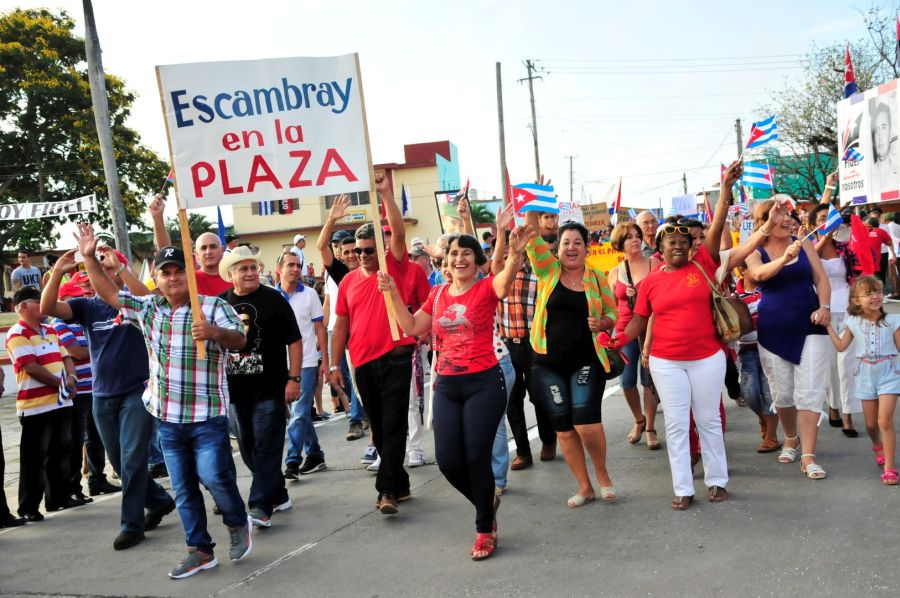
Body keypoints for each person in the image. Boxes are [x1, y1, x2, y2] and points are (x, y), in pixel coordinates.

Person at [78, 227, 252, 580]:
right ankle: (200, 550)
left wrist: (215, 333)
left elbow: (240, 341)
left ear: (189, 276)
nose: (173, 278)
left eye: (178, 272)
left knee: (214, 477)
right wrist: (87, 257)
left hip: (207, 417)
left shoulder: (213, 307)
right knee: (185, 491)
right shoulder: (148, 309)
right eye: (165, 273)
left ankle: (237, 521)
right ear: (156, 278)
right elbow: (109, 292)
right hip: (168, 419)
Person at [378, 224, 534, 560]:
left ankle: (483, 529)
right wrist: (391, 293)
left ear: (477, 262)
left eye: (466, 253)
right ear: (445, 263)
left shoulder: (486, 288)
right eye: (453, 254)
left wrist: (515, 253)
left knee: (476, 455)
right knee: (449, 461)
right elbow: (411, 327)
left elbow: (505, 282)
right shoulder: (436, 296)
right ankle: (486, 501)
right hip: (447, 384)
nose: (459, 258)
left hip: (485, 381)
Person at [608, 161, 742, 509]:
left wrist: (725, 189)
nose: (679, 246)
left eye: (684, 241)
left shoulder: (704, 264)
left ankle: (716, 481)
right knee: (678, 426)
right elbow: (639, 321)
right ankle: (683, 488)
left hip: (708, 358)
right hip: (667, 362)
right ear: (661, 248)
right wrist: (618, 338)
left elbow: (717, 223)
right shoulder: (650, 281)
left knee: (709, 419)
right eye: (671, 242)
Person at [41, 248, 175, 551]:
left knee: (131, 460)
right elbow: (47, 307)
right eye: (91, 273)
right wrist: (59, 271)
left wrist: (122, 268)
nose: (94, 277)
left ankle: (132, 524)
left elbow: (153, 299)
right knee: (120, 461)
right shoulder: (86, 307)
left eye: (103, 269)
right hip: (102, 395)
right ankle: (159, 500)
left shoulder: (135, 304)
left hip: (136, 392)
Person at [329, 175, 416, 515]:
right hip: (362, 363)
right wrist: (334, 364)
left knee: (394, 423)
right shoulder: (348, 281)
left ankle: (387, 490)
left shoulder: (393, 266)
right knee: (379, 428)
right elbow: (340, 325)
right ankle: (402, 481)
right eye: (358, 251)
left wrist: (386, 194)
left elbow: (398, 231)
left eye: (369, 250)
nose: (362, 256)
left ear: (380, 249)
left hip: (396, 356)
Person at [524, 209, 618, 509]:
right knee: (563, 427)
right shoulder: (547, 271)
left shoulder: (598, 278)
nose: (571, 248)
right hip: (546, 362)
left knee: (586, 422)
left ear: (586, 247)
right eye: (566, 242)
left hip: (587, 360)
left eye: (577, 242)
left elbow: (612, 312)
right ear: (558, 248)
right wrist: (532, 211)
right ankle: (584, 486)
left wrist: (604, 322)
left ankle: (602, 475)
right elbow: (532, 239)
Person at [745, 193, 833, 480]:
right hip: (774, 329)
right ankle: (791, 438)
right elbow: (759, 274)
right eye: (780, 215)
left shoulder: (804, 241)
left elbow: (820, 278)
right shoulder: (754, 249)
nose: (787, 220)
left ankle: (808, 456)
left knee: (810, 392)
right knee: (783, 393)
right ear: (765, 221)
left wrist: (825, 306)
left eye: (788, 215)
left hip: (811, 324)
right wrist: (784, 258)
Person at [219, 246, 299, 527]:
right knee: (249, 447)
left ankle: (260, 505)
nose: (251, 273)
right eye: (243, 269)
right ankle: (277, 492)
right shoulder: (220, 303)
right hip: (234, 391)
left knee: (266, 445)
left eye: (253, 267)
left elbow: (295, 340)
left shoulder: (274, 299)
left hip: (270, 387)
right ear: (231, 275)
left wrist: (294, 378)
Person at [5, 286, 77, 520]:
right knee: (35, 457)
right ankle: (29, 507)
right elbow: (31, 366)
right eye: (38, 301)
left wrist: (72, 379)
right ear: (23, 306)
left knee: (61, 450)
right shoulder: (17, 333)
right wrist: (62, 384)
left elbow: (66, 356)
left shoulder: (50, 329)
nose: (44, 304)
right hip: (35, 406)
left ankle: (58, 497)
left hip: (60, 401)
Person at [825, 276, 900, 486]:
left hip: (889, 373)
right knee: (870, 424)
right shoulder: (852, 322)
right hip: (865, 374)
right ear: (856, 300)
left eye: (878, 291)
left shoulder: (894, 321)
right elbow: (841, 346)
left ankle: (890, 469)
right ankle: (877, 445)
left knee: (884, 421)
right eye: (868, 294)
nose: (875, 296)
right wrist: (828, 326)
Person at [51, 279, 119, 501]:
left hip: (93, 386)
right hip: (78, 390)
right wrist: (103, 346)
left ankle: (96, 479)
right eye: (76, 297)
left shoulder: (80, 322)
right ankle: (74, 487)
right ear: (64, 300)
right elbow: (76, 353)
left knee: (96, 437)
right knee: (78, 438)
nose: (83, 299)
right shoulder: (60, 323)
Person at [808, 196, 862, 437]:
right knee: (830, 365)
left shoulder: (845, 248)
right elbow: (810, 270)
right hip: (824, 310)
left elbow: (857, 275)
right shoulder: (808, 247)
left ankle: (849, 415)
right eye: (822, 220)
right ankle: (833, 407)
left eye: (830, 219)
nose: (827, 223)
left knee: (848, 364)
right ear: (815, 225)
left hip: (848, 309)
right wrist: (823, 239)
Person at [316, 196, 367, 444]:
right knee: (344, 379)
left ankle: (357, 419)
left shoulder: (370, 269)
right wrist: (332, 218)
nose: (350, 255)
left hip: (364, 334)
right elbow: (321, 246)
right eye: (345, 252)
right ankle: (361, 413)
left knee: (358, 379)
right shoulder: (337, 273)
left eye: (354, 251)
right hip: (340, 333)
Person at [607, 221, 661, 449]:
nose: (635, 239)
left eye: (636, 235)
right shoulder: (614, 272)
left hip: (651, 330)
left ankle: (650, 427)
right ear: (620, 244)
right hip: (625, 332)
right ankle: (638, 420)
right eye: (628, 237)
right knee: (627, 382)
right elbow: (609, 308)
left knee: (647, 381)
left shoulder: (655, 264)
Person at [275, 251, 329, 479]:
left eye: (298, 265)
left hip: (306, 362)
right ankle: (315, 454)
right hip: (278, 364)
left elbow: (319, 329)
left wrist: (325, 361)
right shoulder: (270, 295)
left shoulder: (309, 295)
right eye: (291, 265)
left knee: (298, 412)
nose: (296, 269)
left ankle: (292, 461)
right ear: (279, 269)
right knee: (299, 414)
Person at [149, 194, 232, 296]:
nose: (208, 251)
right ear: (196, 254)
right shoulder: (189, 278)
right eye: (203, 248)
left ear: (222, 250)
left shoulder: (235, 277)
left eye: (213, 246)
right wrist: (157, 218)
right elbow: (165, 252)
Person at [871, 102, 898, 201]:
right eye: (876, 130)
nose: (879, 136)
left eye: (884, 128)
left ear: (890, 132)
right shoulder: (867, 178)